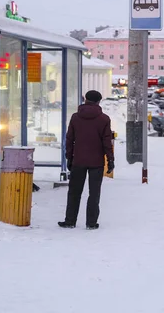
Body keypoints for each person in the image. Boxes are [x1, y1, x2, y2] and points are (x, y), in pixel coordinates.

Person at [59, 90, 114, 230]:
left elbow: (69, 139)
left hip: (78, 160)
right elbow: (107, 142)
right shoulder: (104, 119)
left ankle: (70, 221)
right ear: (98, 102)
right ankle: (91, 223)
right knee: (94, 193)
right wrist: (110, 160)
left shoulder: (75, 117)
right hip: (96, 162)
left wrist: (69, 158)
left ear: (85, 100)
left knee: (74, 192)